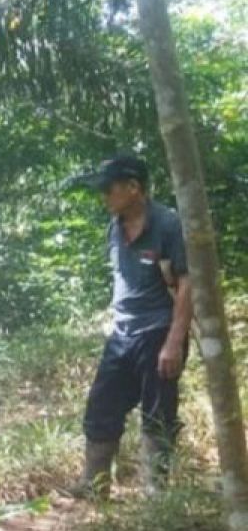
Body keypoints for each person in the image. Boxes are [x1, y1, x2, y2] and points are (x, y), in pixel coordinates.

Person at [72, 153, 191, 498]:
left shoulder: (168, 225)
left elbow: (188, 283)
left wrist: (174, 341)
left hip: (159, 331)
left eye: (109, 189)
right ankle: (94, 486)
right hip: (122, 333)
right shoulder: (115, 227)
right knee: (101, 406)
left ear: (134, 188)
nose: (104, 196)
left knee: (158, 414)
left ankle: (156, 495)